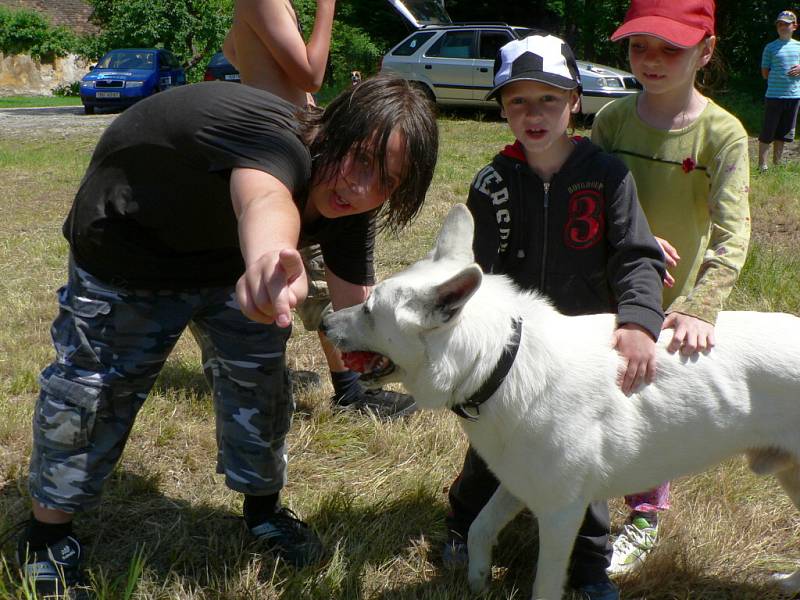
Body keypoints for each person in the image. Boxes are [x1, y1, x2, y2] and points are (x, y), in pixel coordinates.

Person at [16, 75, 438, 598]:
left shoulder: (353, 204)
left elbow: (362, 313)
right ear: (331, 131)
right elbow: (263, 200)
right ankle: (48, 538)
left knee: (260, 383)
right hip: (130, 247)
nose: (363, 187)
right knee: (95, 391)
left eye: (388, 181)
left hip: (230, 265)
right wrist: (268, 260)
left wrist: (435, 362)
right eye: (360, 159)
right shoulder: (276, 141)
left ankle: (263, 513)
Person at [444, 33, 666, 600]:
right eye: (517, 101)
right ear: (501, 109)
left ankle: (588, 569)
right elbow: (474, 268)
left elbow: (636, 256)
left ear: (574, 103)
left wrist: (639, 321)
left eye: (548, 98)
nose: (533, 113)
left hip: (580, 356)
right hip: (512, 352)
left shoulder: (608, 176)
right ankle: (462, 524)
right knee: (490, 448)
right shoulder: (493, 181)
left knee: (577, 461)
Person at [592, 0, 750, 575]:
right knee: (594, 392)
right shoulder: (612, 120)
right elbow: (590, 199)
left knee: (644, 401)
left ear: (705, 52)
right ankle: (581, 497)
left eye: (671, 49)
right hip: (603, 282)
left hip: (670, 299)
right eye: (640, 46)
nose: (651, 60)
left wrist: (702, 303)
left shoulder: (721, 132)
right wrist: (632, 238)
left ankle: (642, 515)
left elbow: (735, 230)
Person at [223, 0, 417, 419]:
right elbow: (311, 72)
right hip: (280, 150)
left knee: (325, 276)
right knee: (310, 276)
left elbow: (232, 50)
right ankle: (350, 390)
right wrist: (326, 8)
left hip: (291, 137)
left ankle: (351, 384)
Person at [757, 9, 800, 172]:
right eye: (780, 24)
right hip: (774, 95)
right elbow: (765, 73)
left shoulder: (799, 47)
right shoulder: (770, 47)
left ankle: (777, 164)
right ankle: (762, 165)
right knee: (768, 131)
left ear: (794, 26)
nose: (782, 27)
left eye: (786, 24)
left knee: (783, 132)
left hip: (794, 96)